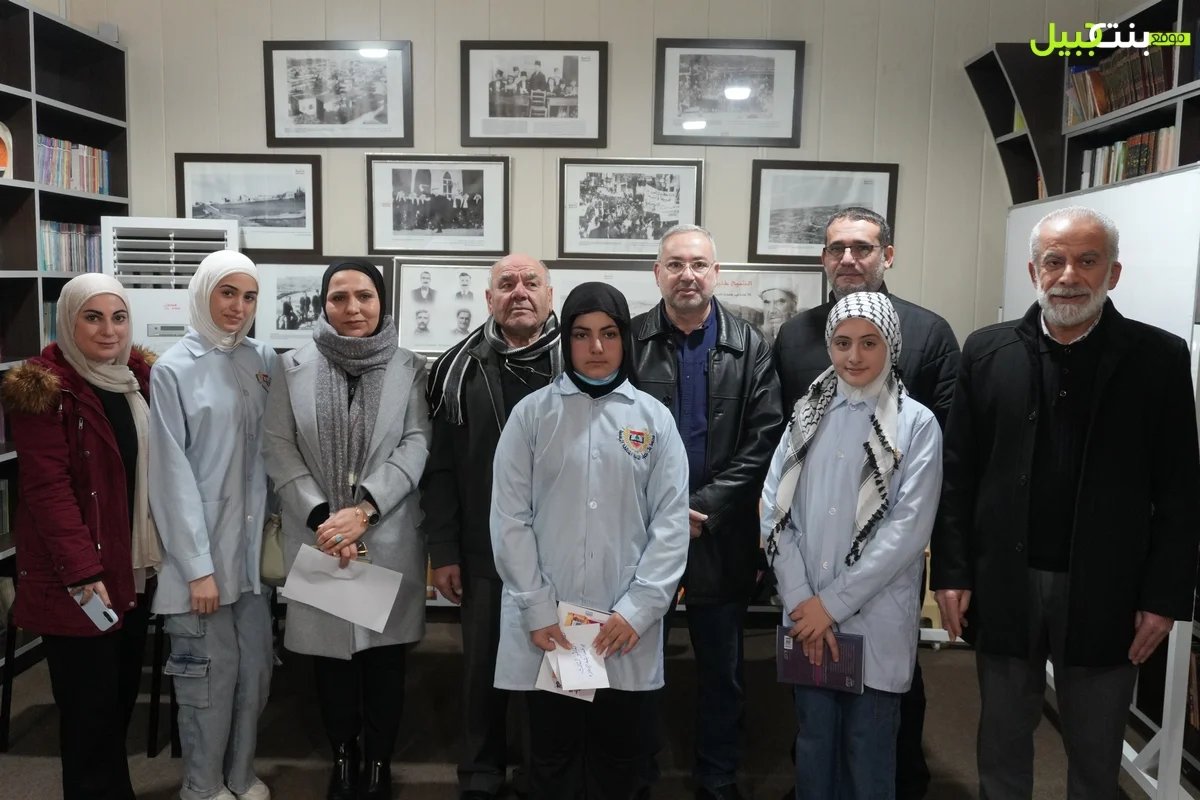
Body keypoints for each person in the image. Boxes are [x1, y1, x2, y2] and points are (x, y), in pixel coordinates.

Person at [931, 206, 1200, 800]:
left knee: (1096, 754)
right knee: (1001, 741)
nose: (1069, 276)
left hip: (1108, 588)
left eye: (1088, 260)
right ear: (1034, 271)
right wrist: (950, 572)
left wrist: (1164, 599)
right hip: (1005, 580)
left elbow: (1181, 491)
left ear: (1114, 272)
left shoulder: (1159, 359)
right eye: (1054, 261)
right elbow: (957, 476)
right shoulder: (986, 351)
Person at [773, 207, 959, 800]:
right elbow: (775, 509)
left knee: (870, 750)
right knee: (813, 746)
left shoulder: (916, 423)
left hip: (873, 617)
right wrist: (802, 600)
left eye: (869, 343)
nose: (854, 356)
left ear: (891, 345)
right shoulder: (805, 414)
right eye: (843, 343)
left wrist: (830, 604)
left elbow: (907, 530)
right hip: (805, 613)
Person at [491, 282, 690, 800]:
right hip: (551, 627)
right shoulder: (532, 415)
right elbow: (509, 520)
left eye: (608, 334)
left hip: (624, 629)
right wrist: (537, 608)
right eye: (581, 334)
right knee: (551, 758)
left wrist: (638, 610)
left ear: (626, 339)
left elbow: (671, 525)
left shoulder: (654, 419)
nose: (596, 347)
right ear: (566, 341)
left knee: (620, 761)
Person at [263, 260, 431, 800]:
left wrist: (366, 510)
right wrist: (324, 518)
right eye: (339, 297)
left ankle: (379, 763)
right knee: (331, 662)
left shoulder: (411, 367)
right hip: (321, 539)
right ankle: (343, 758)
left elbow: (417, 443)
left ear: (382, 301)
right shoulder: (291, 367)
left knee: (384, 662)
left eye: (364, 296)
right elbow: (278, 446)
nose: (353, 308)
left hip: (386, 533)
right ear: (323, 304)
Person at [630, 224, 784, 800]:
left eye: (698, 264)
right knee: (639, 663)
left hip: (720, 537)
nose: (687, 275)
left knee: (723, 670)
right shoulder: (630, 340)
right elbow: (612, 432)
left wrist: (702, 507)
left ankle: (717, 776)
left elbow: (765, 437)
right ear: (658, 274)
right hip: (645, 535)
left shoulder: (751, 344)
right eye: (675, 264)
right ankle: (638, 773)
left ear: (716, 273)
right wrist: (662, 513)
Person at [0, 273, 159, 800]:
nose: (109, 330)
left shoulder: (136, 380)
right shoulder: (45, 389)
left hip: (132, 567)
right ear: (68, 321)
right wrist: (83, 572)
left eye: (118, 317)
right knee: (88, 715)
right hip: (80, 578)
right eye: (93, 317)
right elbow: (48, 490)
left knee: (116, 703)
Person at [421, 253, 563, 799]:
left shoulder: (579, 365)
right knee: (482, 672)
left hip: (558, 551)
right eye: (506, 284)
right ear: (488, 299)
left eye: (531, 282)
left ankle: (540, 773)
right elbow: (440, 470)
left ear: (549, 296)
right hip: (483, 552)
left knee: (550, 668)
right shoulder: (454, 369)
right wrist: (443, 550)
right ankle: (481, 773)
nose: (519, 292)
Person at [148, 250, 276, 800]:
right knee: (206, 679)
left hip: (251, 563)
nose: (238, 307)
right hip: (199, 564)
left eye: (249, 297)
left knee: (255, 676)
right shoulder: (172, 369)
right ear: (204, 293)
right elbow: (170, 477)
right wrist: (197, 568)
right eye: (228, 293)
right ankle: (201, 787)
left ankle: (240, 776)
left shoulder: (261, 359)